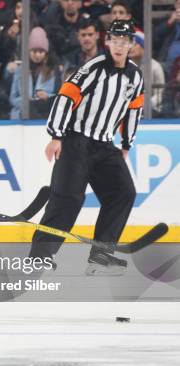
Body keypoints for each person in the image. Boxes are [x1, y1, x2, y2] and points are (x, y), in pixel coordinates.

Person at [29, 20, 143, 275]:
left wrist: (126, 144)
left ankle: (101, 254)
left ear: (131, 44)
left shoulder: (135, 75)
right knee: (67, 198)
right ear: (108, 41)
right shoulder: (94, 68)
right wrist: (56, 136)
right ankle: (39, 256)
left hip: (104, 145)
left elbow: (134, 110)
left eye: (124, 41)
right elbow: (66, 97)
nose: (119, 45)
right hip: (75, 140)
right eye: (115, 39)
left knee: (123, 192)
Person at [9, 27, 62, 119]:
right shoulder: (20, 70)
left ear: (46, 52)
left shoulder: (53, 70)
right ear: (29, 51)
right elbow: (12, 98)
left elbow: (59, 96)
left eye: (41, 51)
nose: (37, 55)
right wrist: (25, 101)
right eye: (34, 51)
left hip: (44, 111)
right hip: (22, 113)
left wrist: (47, 97)